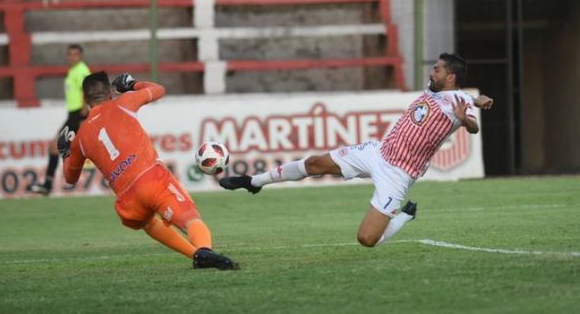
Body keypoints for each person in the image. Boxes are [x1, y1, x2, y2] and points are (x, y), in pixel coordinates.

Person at [219, 53, 494, 248]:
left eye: (437, 69)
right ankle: (253, 182)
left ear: (450, 76)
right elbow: (458, 97)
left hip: (398, 174)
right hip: (378, 151)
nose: (431, 72)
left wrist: (469, 115)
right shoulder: (441, 92)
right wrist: (477, 99)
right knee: (315, 163)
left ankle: (404, 216)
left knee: (367, 239)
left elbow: (472, 128)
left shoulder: (460, 102)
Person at [58, 71, 238, 270]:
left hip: (127, 197)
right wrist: (131, 84)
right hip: (151, 177)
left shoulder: (81, 138)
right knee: (189, 218)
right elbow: (158, 90)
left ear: (84, 98)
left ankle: (195, 255)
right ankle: (204, 249)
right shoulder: (124, 103)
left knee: (149, 223)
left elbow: (70, 177)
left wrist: (65, 152)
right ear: (110, 92)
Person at [30, 44, 91, 195]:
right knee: (56, 148)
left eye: (75, 54)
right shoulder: (73, 71)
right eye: (69, 54)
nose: (72, 57)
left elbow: (88, 91)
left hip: (78, 115)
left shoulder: (82, 70)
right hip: (72, 115)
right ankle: (47, 185)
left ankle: (47, 186)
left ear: (80, 56)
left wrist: (83, 116)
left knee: (56, 147)